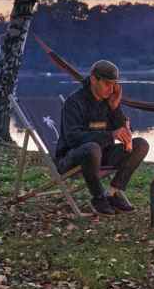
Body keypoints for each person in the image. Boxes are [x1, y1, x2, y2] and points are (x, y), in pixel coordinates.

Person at [56, 60, 149, 215]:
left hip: (102, 155)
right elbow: (73, 138)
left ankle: (113, 193)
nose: (111, 89)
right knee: (92, 148)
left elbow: (126, 131)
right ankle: (98, 197)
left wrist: (115, 108)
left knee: (141, 145)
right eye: (107, 84)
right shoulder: (74, 102)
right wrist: (110, 134)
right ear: (93, 79)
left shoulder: (109, 102)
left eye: (114, 84)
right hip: (72, 158)